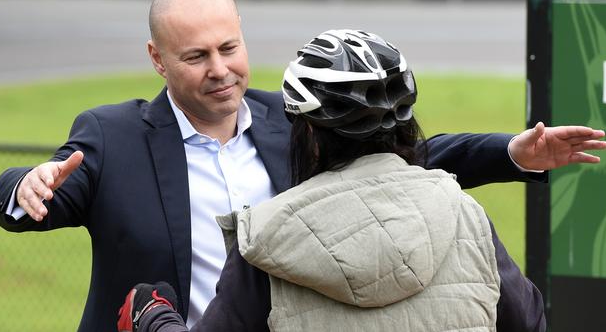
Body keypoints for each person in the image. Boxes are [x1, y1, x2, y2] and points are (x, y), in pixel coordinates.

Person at [0, 0, 605, 332]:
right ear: (157, 59)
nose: (221, 71)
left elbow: (402, 156)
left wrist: (512, 153)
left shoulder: (298, 120)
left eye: (229, 47)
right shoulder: (110, 136)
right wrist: (25, 185)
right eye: (196, 57)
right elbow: (31, 198)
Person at [119, 29, 548, 332]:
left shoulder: (264, 241)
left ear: (308, 134)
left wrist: (152, 314)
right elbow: (528, 321)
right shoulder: (464, 215)